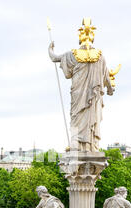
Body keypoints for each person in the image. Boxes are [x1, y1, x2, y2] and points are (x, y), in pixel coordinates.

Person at [48, 18, 114, 152]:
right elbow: (106, 76)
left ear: (80, 38)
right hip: (91, 97)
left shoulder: (73, 55)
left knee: (76, 116)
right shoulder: (100, 56)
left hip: (78, 95)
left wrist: (50, 49)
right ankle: (90, 145)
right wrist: (110, 88)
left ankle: (78, 144)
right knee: (89, 117)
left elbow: (54, 57)